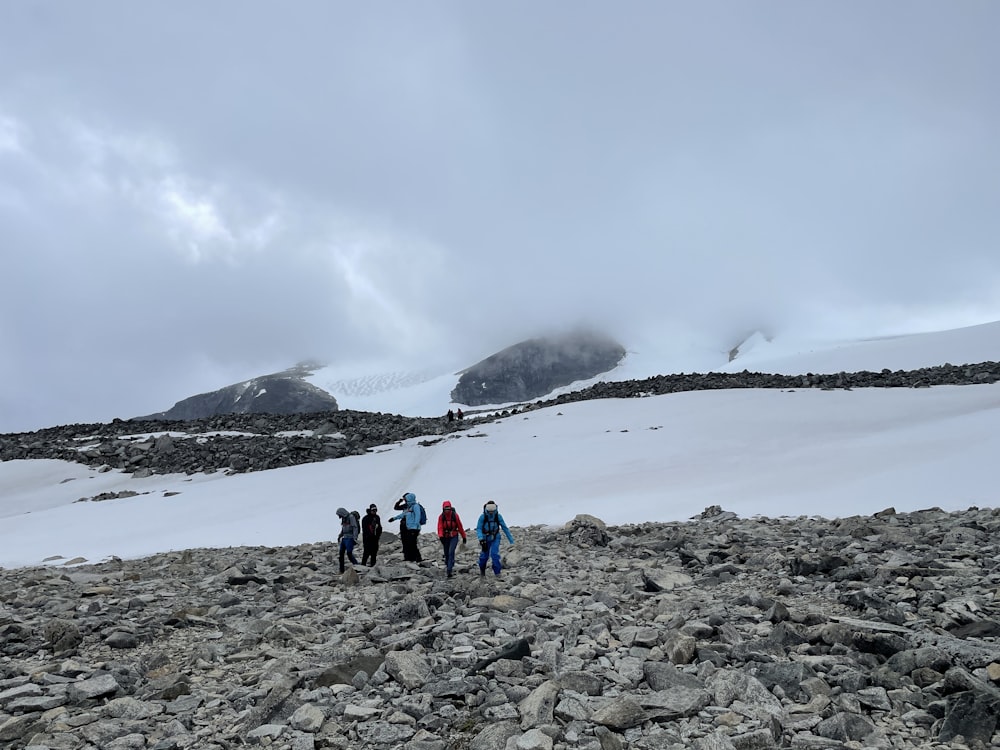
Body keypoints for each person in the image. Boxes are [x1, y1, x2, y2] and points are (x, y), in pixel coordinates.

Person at [476, 500, 514, 577]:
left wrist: (511, 541)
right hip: (485, 539)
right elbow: (479, 528)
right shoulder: (482, 517)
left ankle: (497, 573)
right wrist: (481, 539)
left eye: (492, 511)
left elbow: (504, 528)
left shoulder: (498, 516)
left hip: (495, 538)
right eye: (489, 511)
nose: (491, 513)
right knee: (484, 556)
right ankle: (482, 570)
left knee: (494, 554)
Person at [389, 492, 426, 562]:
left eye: (405, 499)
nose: (405, 500)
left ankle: (417, 558)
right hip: (409, 528)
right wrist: (394, 518)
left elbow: (418, 516)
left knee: (412, 543)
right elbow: (403, 514)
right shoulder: (409, 507)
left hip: (413, 529)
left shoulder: (415, 506)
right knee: (408, 543)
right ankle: (410, 558)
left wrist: (415, 527)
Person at [437, 501, 467, 577]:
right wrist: (441, 536)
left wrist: (464, 536)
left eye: (448, 508)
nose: (447, 510)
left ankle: (449, 570)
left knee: (451, 551)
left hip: (454, 536)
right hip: (445, 536)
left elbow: (460, 526)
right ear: (443, 509)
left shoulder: (455, 516)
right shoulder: (441, 517)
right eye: (445, 509)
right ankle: (449, 564)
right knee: (446, 552)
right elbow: (440, 527)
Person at [336, 507, 360, 573]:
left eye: (339, 515)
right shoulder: (344, 519)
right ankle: (341, 570)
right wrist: (340, 535)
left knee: (349, 553)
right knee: (341, 554)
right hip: (344, 538)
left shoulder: (351, 517)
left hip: (350, 538)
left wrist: (355, 538)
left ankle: (357, 566)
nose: (339, 516)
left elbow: (355, 527)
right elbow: (343, 528)